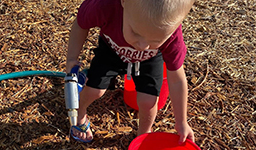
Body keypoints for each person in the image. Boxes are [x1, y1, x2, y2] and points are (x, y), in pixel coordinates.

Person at [65, 0, 196, 144]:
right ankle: (80, 112)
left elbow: (177, 79)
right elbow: (81, 23)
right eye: (135, 32)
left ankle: (144, 133)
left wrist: (182, 121)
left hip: (149, 59)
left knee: (149, 101)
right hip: (111, 49)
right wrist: (72, 58)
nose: (142, 46)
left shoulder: (172, 36)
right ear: (123, 2)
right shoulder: (105, 7)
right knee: (95, 91)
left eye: (155, 39)